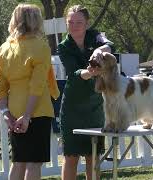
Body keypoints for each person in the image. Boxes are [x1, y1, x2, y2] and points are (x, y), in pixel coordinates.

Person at [0, 4, 59, 180]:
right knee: (34, 163)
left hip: (14, 111)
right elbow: (37, 85)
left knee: (19, 162)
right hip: (37, 110)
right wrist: (28, 116)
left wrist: (6, 113)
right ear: (37, 21)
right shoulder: (41, 47)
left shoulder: (4, 48)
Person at [58, 5, 114, 180]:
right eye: (71, 22)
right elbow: (74, 74)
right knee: (71, 157)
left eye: (79, 22)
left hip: (95, 106)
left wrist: (99, 50)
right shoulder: (64, 46)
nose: (74, 26)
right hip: (72, 108)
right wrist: (90, 72)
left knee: (93, 156)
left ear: (87, 23)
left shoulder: (95, 35)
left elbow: (110, 45)